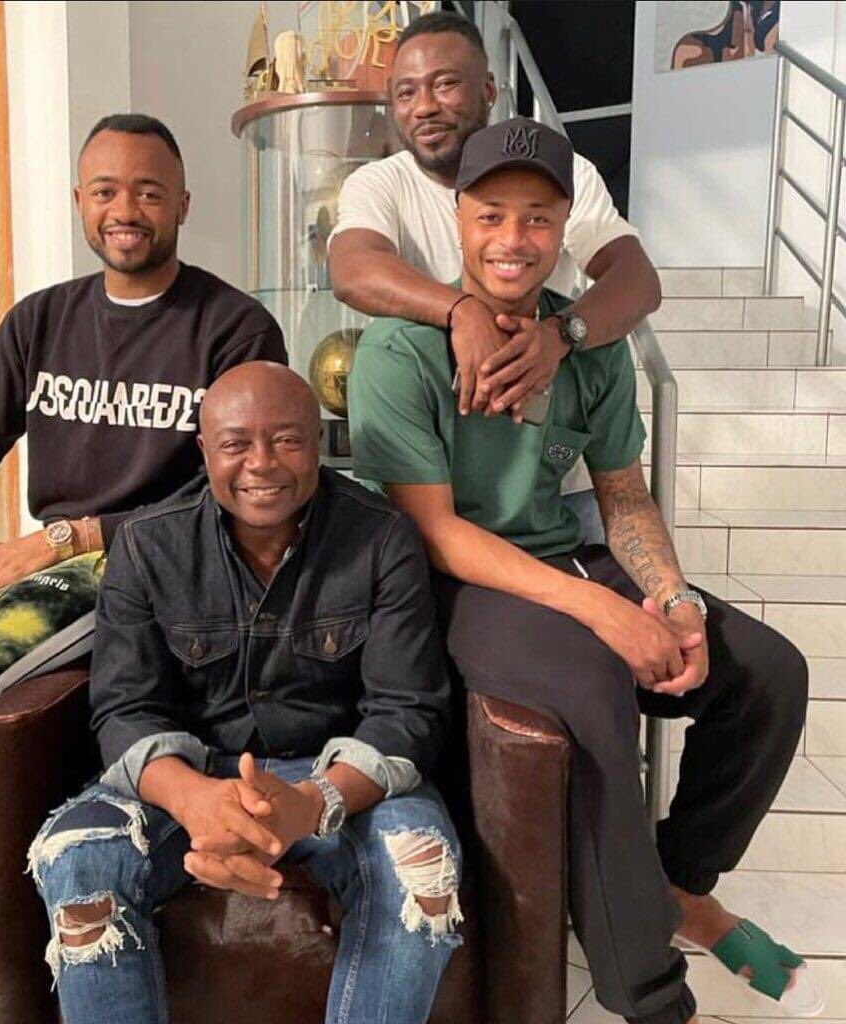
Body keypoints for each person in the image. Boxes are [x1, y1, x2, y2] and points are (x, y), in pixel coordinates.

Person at [348, 117, 819, 1024]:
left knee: (767, 671)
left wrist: (671, 599)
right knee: (594, 683)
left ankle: (675, 885)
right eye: (492, 215)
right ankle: (648, 994)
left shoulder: (588, 348)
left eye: (537, 218)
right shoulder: (398, 352)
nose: (513, 239)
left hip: (558, 554)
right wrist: (604, 613)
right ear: (458, 219)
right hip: (452, 583)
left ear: (565, 227)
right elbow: (436, 533)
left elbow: (624, 495)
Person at [0, 114, 285, 1022]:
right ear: (80, 201)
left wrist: (72, 536)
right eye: (106, 191)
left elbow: (237, 495)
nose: (126, 209)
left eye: (148, 191)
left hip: (146, 565)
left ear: (183, 204)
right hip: (50, 556)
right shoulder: (43, 321)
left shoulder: (234, 326)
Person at [29, 361, 462, 1024]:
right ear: (205, 450)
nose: (261, 464)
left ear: (318, 442)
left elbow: (407, 712)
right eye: (236, 444)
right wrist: (197, 802)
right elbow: (124, 708)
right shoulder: (147, 545)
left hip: (337, 780)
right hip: (192, 776)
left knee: (420, 866)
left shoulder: (382, 538)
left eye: (286, 440)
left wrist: (310, 803)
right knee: (79, 860)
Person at [329, 10, 661, 542]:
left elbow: (637, 279)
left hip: (556, 488)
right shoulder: (381, 184)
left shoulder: (566, 173)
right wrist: (463, 312)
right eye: (406, 92)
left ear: (488, 90)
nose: (425, 106)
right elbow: (352, 268)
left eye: (445, 84)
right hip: (437, 481)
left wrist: (560, 335)